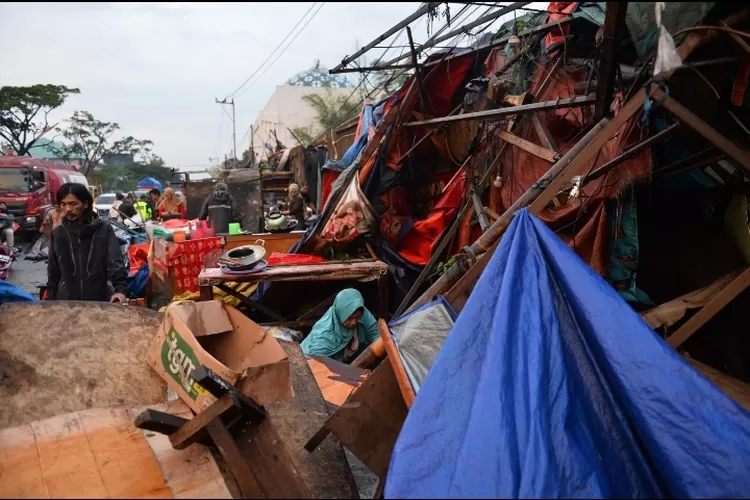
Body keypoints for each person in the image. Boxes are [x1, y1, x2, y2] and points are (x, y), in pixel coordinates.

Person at [47, 183, 128, 303]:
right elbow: (53, 271)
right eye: (63, 204)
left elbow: (115, 263)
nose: (68, 209)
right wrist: (51, 299)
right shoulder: (59, 233)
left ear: (85, 204)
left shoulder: (103, 229)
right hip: (66, 302)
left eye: (73, 204)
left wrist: (119, 290)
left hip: (99, 300)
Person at [300, 288, 381, 363]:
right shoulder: (324, 334)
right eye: (349, 318)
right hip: (308, 360)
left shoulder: (360, 312)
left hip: (344, 358)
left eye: (357, 318)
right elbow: (315, 363)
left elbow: (375, 334)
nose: (353, 322)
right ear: (340, 313)